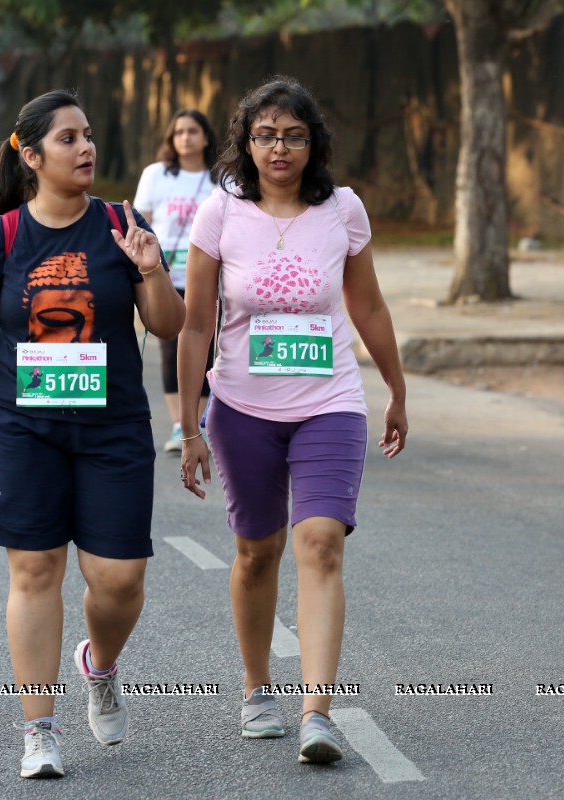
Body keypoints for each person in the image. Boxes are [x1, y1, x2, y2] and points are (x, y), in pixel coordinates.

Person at [0, 89, 184, 779]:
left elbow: (169, 326)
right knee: (35, 570)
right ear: (31, 157)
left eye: (88, 135)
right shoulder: (2, 236)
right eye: (68, 138)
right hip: (19, 424)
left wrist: (150, 269)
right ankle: (39, 728)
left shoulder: (123, 223)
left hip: (113, 425)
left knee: (118, 581)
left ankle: (99, 664)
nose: (86, 147)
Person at [177, 76, 408, 764]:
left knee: (320, 543)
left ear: (314, 143)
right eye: (266, 134)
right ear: (246, 143)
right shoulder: (221, 212)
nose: (280, 147)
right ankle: (256, 689)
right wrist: (189, 422)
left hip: (330, 401)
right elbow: (194, 325)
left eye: (295, 134)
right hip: (242, 407)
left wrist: (395, 387)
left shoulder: (342, 210)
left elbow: (367, 307)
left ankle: (317, 713)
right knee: (256, 552)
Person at [133, 109, 218, 452]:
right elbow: (142, 222)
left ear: (206, 137)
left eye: (193, 130)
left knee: (209, 350)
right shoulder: (156, 175)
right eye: (179, 131)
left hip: (210, 278)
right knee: (171, 350)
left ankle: (201, 422)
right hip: (167, 277)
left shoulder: (221, 177)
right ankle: (179, 425)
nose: (185, 137)